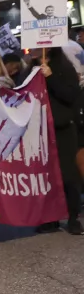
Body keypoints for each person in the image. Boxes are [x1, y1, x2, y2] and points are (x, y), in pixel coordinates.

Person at [37, 47, 83, 235]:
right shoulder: (33, 68)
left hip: (63, 128)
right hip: (41, 129)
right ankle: (50, 217)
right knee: (46, 176)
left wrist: (50, 77)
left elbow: (69, 95)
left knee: (68, 175)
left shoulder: (64, 68)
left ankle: (73, 218)